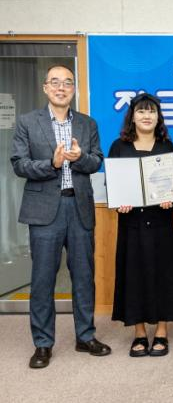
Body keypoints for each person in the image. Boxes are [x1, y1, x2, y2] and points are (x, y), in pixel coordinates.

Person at [11, 65, 110, 369]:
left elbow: (97, 161)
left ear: (73, 89)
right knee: (43, 279)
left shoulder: (87, 123)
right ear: (45, 88)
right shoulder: (28, 122)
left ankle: (85, 336)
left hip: (79, 208)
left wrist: (80, 159)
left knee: (83, 276)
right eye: (55, 82)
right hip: (44, 212)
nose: (61, 88)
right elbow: (19, 164)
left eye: (67, 83)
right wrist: (51, 164)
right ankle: (43, 343)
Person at [108, 93, 173, 357]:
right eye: (141, 111)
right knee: (133, 276)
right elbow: (112, 183)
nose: (147, 116)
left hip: (161, 223)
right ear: (132, 117)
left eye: (152, 111)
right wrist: (119, 201)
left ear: (158, 117)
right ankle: (139, 333)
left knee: (164, 274)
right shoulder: (119, 146)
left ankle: (162, 331)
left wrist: (170, 198)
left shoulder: (167, 146)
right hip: (132, 224)